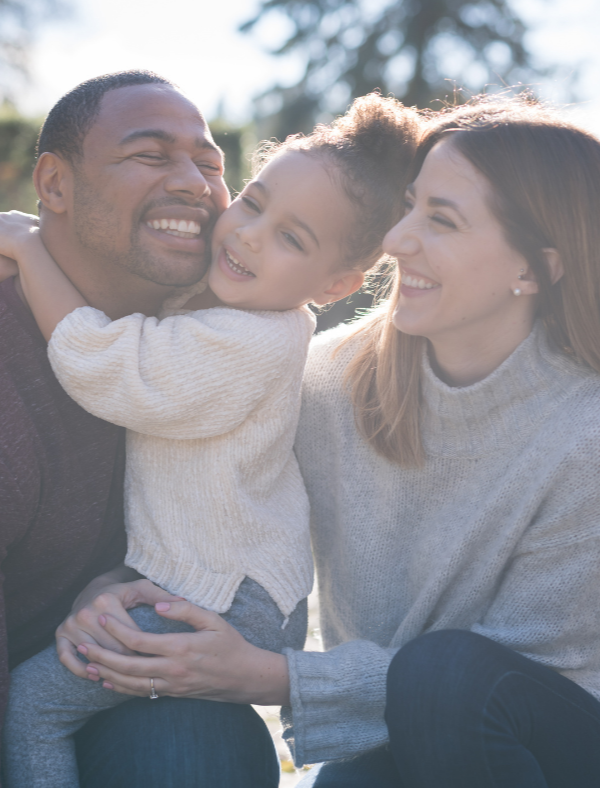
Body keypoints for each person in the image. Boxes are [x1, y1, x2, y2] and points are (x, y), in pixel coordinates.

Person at [46, 95, 600, 788]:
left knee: (447, 676)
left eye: (443, 221)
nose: (397, 241)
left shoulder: (585, 438)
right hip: (395, 740)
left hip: (561, 747)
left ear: (537, 270)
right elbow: (211, 492)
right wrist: (120, 583)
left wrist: (270, 674)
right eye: (411, 206)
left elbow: (521, 674)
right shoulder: (328, 380)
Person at [0, 94, 421, 788]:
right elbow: (118, 289)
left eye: (291, 238)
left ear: (335, 284)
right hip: (193, 576)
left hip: (221, 597)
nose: (246, 235)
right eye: (254, 203)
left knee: (34, 707)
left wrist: (32, 253)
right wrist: (36, 266)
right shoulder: (225, 300)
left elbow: (110, 365)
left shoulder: (255, 337)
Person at [0, 69, 232, 788]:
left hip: (89, 695)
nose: (196, 184)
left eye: (211, 164)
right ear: (53, 185)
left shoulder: (220, 356)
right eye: (150, 155)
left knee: (199, 737)